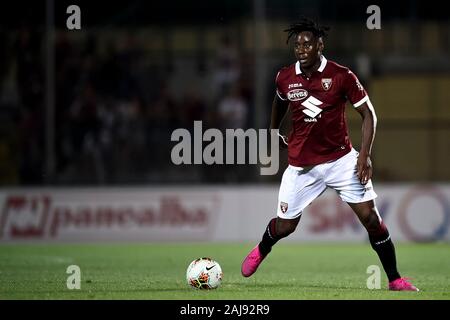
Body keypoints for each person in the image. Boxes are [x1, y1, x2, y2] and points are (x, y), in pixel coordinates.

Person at [241, 18, 418, 291]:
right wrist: (273, 131)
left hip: (341, 161)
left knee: (371, 218)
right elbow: (279, 99)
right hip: (302, 166)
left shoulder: (341, 76)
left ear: (320, 45)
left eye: (307, 43)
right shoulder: (285, 77)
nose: (301, 49)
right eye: (297, 44)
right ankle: (261, 249)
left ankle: (395, 279)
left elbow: (368, 114)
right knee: (285, 227)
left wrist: (364, 156)